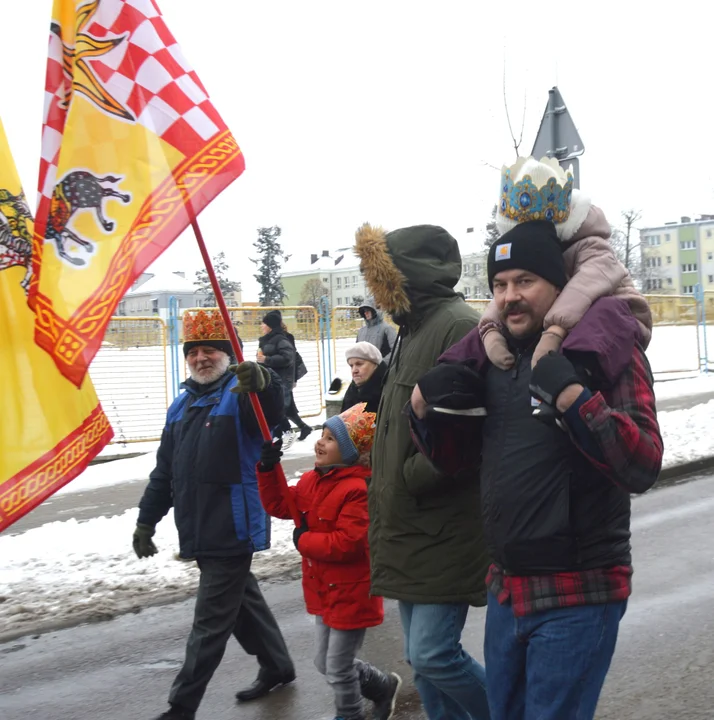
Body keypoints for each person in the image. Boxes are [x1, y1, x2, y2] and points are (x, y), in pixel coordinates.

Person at [409, 220, 664, 720]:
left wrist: (572, 395)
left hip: (580, 591)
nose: (509, 297)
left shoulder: (605, 349)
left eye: (525, 281)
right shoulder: (495, 359)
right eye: (500, 286)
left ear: (558, 285)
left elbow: (643, 463)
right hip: (508, 588)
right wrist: (427, 416)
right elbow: (458, 465)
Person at [353, 223, 490, 720]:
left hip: (442, 524)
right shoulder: (410, 331)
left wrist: (412, 474)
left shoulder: (457, 325)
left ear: (409, 274)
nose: (374, 288)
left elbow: (470, 430)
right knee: (421, 660)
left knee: (434, 654)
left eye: (381, 276)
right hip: (408, 524)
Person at [133, 309, 296, 720]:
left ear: (226, 354)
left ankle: (181, 706)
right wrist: (146, 519)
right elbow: (165, 470)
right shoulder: (181, 404)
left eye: (210, 350)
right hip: (197, 524)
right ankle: (277, 665)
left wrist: (266, 382)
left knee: (209, 624)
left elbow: (271, 409)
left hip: (232, 525)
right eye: (194, 352)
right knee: (242, 604)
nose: (201, 358)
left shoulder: (241, 394)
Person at [257, 403, 401, 720]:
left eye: (330, 439)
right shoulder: (313, 480)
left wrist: (303, 541)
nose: (320, 442)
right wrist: (268, 469)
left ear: (349, 452)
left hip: (352, 592)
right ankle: (380, 686)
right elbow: (281, 504)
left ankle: (349, 715)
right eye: (321, 435)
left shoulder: (357, 490)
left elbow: (347, 544)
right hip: (324, 590)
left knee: (336, 666)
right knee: (324, 663)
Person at [480, 156, 652, 370]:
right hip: (562, 321)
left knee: (604, 312)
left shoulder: (592, 247)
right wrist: (490, 331)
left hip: (619, 321)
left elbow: (582, 288)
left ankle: (576, 377)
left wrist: (554, 332)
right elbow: (506, 293)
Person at [257, 310, 299, 439]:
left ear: (270, 325)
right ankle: (278, 435)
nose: (261, 326)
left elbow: (288, 358)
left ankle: (286, 433)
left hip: (281, 380)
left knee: (279, 408)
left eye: (264, 323)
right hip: (269, 379)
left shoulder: (281, 339)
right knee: (273, 407)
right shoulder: (267, 339)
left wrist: (266, 360)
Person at [280, 319, 313, 440]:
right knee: (288, 407)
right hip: (282, 378)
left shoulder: (287, 338)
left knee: (282, 407)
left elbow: (291, 360)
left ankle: (287, 432)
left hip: (285, 379)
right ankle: (303, 427)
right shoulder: (277, 338)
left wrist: (293, 379)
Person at [341, 341, 387, 413]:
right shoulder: (352, 392)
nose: (354, 370)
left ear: (375, 365)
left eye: (359, 364)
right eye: (351, 366)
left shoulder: (387, 392)